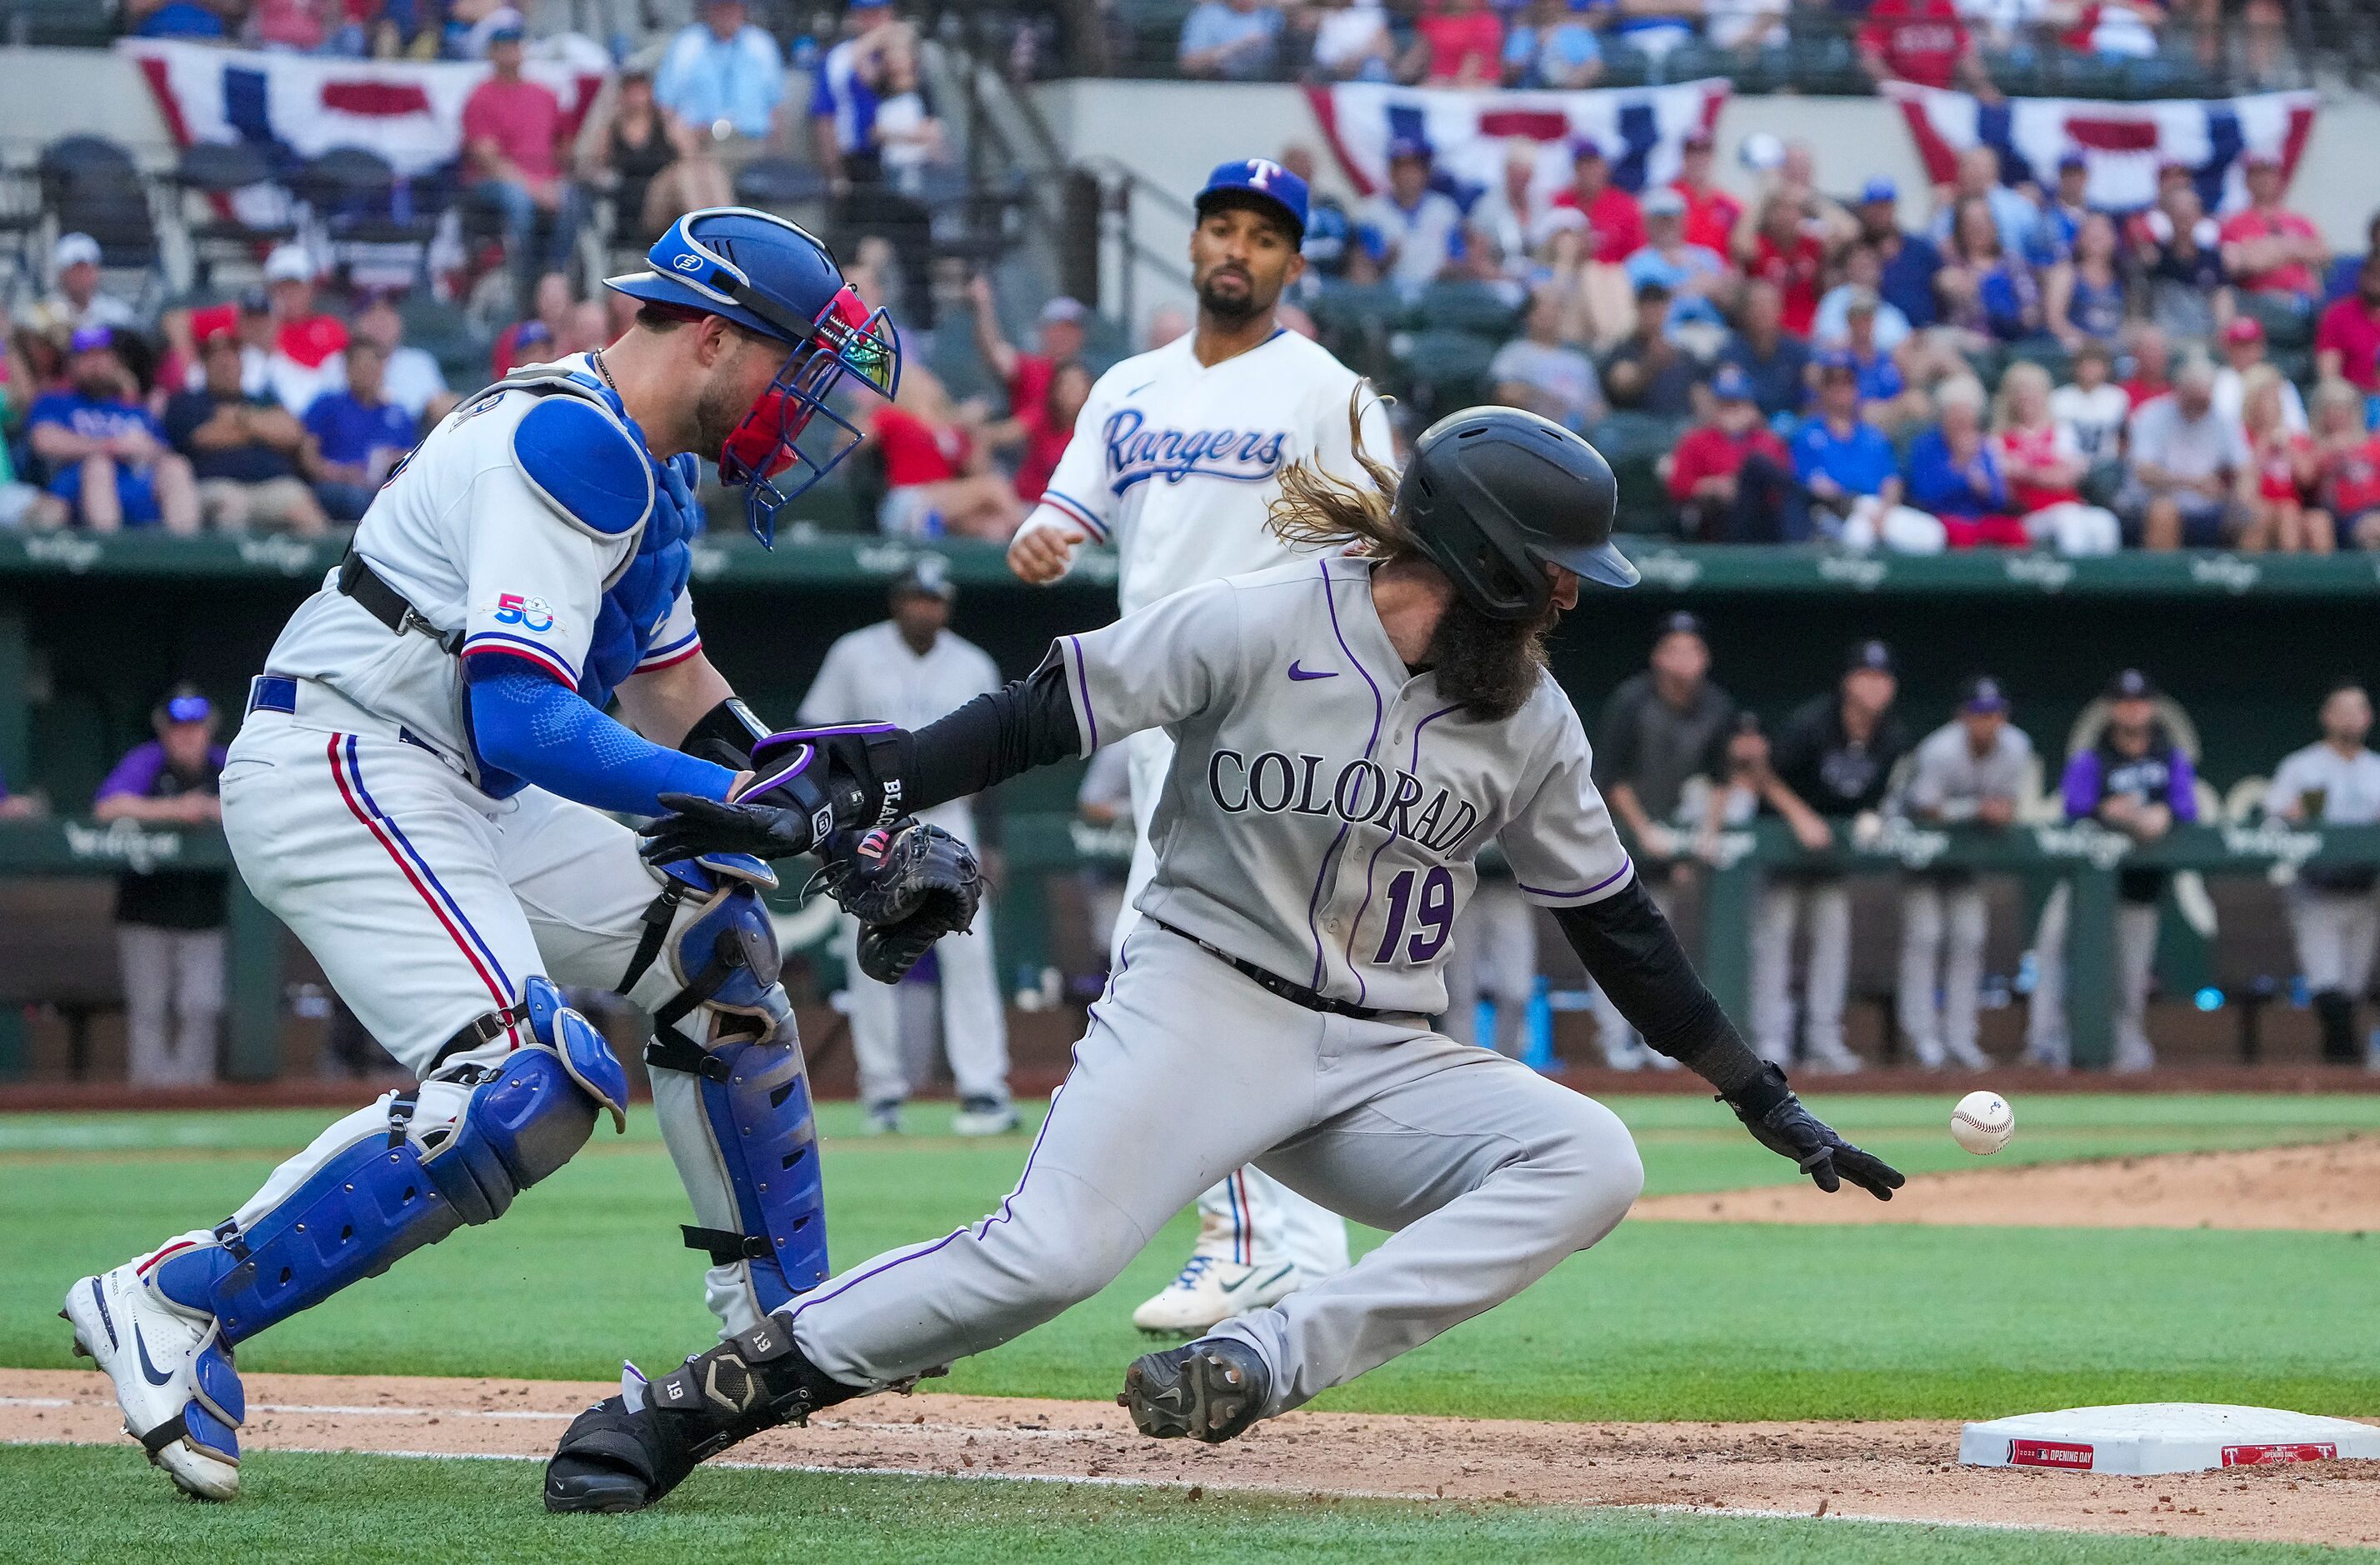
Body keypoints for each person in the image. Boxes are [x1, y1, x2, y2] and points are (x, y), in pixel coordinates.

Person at [538, 407, 1904, 1513]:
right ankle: (696, 1397)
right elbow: (1041, 713)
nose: (1568, 596)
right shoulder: (1262, 617)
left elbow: (1618, 924)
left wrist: (1757, 1092)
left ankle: (1263, 1353)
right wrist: (884, 779)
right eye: (1554, 569)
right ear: (1486, 556)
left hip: (1382, 1054)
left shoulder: (1531, 717)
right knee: (1048, 1255)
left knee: (1592, 1155)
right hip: (1202, 1000)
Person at [62, 208, 906, 1503]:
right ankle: (170, 1299)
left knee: (716, 940)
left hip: (463, 779)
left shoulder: (650, 464)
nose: (807, 401)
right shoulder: (569, 441)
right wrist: (742, 807)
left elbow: (678, 693)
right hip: (347, 757)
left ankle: (782, 1323)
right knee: (521, 1085)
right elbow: (524, 707)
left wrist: (839, 815)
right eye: (795, 363)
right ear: (719, 339)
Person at [1005, 159, 1390, 1341]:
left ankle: (1241, 1246)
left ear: (1292, 261)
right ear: (1196, 245)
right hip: (1161, 712)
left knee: (1183, 967)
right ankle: (1298, 1248)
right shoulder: (1128, 386)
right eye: (1221, 226)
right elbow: (1067, 514)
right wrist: (1042, 537)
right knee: (1262, 973)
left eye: (1263, 236)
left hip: (1273, 711)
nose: (1238, 248)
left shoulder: (1330, 390)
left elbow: (1391, 544)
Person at [799, 560, 1014, 1134]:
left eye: (936, 600)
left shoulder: (973, 663)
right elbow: (814, 736)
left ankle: (983, 1087)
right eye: (917, 598)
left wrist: (992, 842)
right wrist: (824, 828)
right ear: (898, 601)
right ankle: (882, 1093)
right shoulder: (854, 653)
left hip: (951, 820)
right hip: (873, 825)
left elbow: (996, 762)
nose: (926, 609)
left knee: (968, 956)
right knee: (871, 954)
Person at [1744, 640, 1911, 1075]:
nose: (1874, 687)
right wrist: (1801, 816)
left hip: (1832, 854)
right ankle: (1770, 1042)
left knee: (1833, 941)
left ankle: (1823, 1040)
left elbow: (1877, 794)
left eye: (1882, 678)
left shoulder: (1891, 734)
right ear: (1848, 682)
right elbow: (1762, 775)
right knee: (1775, 941)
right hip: (1780, 841)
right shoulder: (1812, 724)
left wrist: (1872, 815)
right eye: (1865, 676)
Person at [2027, 669, 2198, 1072]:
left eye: (2139, 702)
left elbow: (2188, 811)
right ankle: (2045, 1046)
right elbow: (2072, 810)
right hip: (2083, 886)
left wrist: (2164, 814)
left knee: (2129, 979)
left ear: (2153, 708)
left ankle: (2127, 1055)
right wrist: (2109, 810)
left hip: (2138, 889)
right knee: (2051, 955)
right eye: (2124, 701)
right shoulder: (2093, 757)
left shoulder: (2169, 757)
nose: (2132, 710)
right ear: (2110, 707)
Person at [1588, 610, 1735, 1069]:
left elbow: (1719, 779)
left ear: (1705, 658)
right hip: (1618, 841)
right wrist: (1645, 830)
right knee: (1615, 941)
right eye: (1673, 649)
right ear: (1657, 656)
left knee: (1665, 946)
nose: (1683, 660)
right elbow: (1610, 777)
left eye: (1692, 650)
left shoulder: (1717, 706)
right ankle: (1614, 1039)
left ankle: (1658, 1042)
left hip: (1676, 842)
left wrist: (1706, 836)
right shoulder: (1632, 701)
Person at [93, 687, 229, 1088]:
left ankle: (193, 1093)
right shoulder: (146, 761)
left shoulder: (224, 763)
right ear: (164, 732)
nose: (187, 736)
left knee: (200, 1006)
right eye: (178, 728)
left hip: (205, 909)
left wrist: (208, 808)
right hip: (145, 907)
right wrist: (174, 810)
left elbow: (265, 805)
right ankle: (148, 1095)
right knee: (148, 1008)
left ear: (208, 730)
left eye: (195, 728)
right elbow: (106, 808)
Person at [1893, 677, 2031, 1071]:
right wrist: (1976, 811)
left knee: (1970, 937)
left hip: (1966, 858)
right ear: (1963, 717)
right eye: (1979, 714)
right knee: (1925, 936)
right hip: (1920, 849)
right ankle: (1921, 1038)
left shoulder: (2017, 747)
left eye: (1994, 714)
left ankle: (1961, 1038)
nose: (1987, 722)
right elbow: (1926, 808)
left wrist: (1994, 811)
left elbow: (2006, 806)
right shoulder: (1939, 750)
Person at [2268, 682, 2380, 1065]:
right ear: (2326, 716)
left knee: (2351, 990)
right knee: (2326, 987)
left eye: (2358, 710)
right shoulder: (2301, 767)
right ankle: (2341, 1073)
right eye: (2342, 710)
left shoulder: (2376, 770)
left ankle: (2345, 1071)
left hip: (2365, 892)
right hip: (2315, 889)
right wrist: (2290, 817)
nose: (2351, 718)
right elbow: (2270, 824)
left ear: (2368, 718)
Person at [28, 328, 200, 535]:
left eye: (102, 356)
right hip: (77, 492)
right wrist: (110, 446)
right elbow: (44, 440)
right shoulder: (55, 401)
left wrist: (146, 449)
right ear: (73, 364)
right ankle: (109, 554)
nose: (96, 364)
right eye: (87, 357)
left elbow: (161, 449)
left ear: (115, 362)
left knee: (176, 466)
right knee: (100, 465)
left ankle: (183, 555)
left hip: (136, 486)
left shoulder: (134, 409)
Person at [462, 22, 586, 304]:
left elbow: (565, 147)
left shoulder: (545, 94)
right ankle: (525, 280)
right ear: (492, 53)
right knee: (518, 201)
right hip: (497, 185)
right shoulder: (480, 97)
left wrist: (560, 178)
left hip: (546, 182)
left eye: (515, 45)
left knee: (572, 196)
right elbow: (487, 158)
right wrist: (533, 187)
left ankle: (554, 276)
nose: (511, 52)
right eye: (503, 47)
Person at [163, 330, 330, 538]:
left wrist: (241, 419)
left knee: (303, 507)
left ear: (241, 364)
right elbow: (204, 437)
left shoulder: (262, 399)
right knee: (232, 506)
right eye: (217, 359)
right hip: (216, 485)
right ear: (205, 365)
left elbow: (293, 433)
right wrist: (264, 428)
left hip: (272, 485)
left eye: (231, 358)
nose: (226, 365)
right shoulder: (187, 401)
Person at [1795, 352, 1934, 550]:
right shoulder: (1809, 434)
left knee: (1930, 533)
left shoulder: (1873, 435)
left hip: (1879, 508)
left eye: (1847, 382)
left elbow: (1891, 480)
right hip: (1840, 512)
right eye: (1833, 382)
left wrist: (1883, 513)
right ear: (1823, 388)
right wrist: (1853, 504)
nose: (1840, 389)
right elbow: (1814, 484)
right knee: (1859, 537)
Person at [582, 68, 732, 248]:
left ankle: (726, 227)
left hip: (674, 197)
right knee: (683, 175)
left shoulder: (665, 123)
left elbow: (691, 155)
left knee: (707, 168)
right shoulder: (612, 129)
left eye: (641, 90)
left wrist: (677, 124)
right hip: (642, 206)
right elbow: (592, 168)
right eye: (632, 91)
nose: (637, 97)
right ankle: (706, 232)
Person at [869, 368, 1026, 540]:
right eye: (923, 380)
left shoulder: (951, 428)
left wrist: (973, 431)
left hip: (944, 503)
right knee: (994, 488)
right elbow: (853, 437)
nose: (931, 384)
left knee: (994, 524)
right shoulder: (894, 417)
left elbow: (978, 471)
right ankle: (1034, 536)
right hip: (909, 500)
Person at [2118, 354, 2253, 549]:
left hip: (2209, 505)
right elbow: (2143, 471)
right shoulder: (2152, 415)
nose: (2200, 404)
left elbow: (2246, 468)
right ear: (2180, 391)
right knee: (2164, 511)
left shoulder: (2222, 420)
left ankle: (2241, 577)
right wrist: (2191, 483)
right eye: (2194, 397)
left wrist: (2241, 496)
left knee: (2255, 513)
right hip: (2153, 502)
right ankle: (2164, 579)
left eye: (2204, 398)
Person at [1992, 361, 2122, 554]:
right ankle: (2073, 584)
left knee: (2105, 521)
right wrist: (2049, 472)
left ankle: (2108, 584)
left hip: (2070, 506)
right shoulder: (1998, 440)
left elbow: (2069, 476)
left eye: (2033, 391)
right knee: (2068, 522)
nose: (2026, 397)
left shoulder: (2062, 431)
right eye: (2020, 391)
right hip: (2030, 516)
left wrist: (2026, 472)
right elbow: (2005, 487)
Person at [1667, 365, 1792, 542]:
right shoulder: (1696, 440)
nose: (1730, 411)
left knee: (1756, 466)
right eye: (1724, 404)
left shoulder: (1766, 440)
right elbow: (1678, 486)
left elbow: (1781, 486)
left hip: (1762, 519)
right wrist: (1712, 485)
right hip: (1717, 519)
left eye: (1736, 403)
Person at [304, 338, 422, 523]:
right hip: (337, 486)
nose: (366, 371)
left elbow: (411, 460)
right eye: (360, 364)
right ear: (347, 368)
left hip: (382, 486)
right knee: (358, 499)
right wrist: (338, 473)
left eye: (372, 364)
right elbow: (308, 456)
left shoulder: (398, 414)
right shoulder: (327, 404)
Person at [1438, 845, 1536, 1058]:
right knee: (1459, 991)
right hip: (1459, 891)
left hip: (1510, 889)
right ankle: (1461, 1069)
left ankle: (1512, 1066)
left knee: (1516, 990)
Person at [663, 0, 788, 166]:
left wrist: (776, 156)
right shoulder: (688, 43)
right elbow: (666, 105)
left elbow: (775, 107)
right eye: (721, 7)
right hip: (701, 143)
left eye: (733, 7)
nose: (727, 13)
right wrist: (684, 147)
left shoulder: (761, 44)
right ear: (709, 10)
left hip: (752, 143)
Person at [967, 282, 1088, 428]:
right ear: (1043, 332)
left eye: (1071, 329)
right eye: (1057, 329)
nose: (1064, 336)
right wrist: (984, 305)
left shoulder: (1091, 375)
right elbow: (994, 351)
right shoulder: (1031, 368)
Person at [1359, 138, 1467, 296]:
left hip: (1437, 295)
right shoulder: (1372, 213)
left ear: (1426, 172)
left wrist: (1450, 272)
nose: (1408, 175)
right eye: (1402, 167)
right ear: (1392, 171)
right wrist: (1386, 260)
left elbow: (1458, 258)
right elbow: (1366, 268)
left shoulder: (1444, 209)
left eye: (1415, 168)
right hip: (1389, 297)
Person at [2218, 152, 2325, 311]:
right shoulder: (2233, 223)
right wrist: (2295, 249)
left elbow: (2322, 253)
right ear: (2247, 181)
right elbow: (2242, 264)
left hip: (2305, 298)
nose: (2264, 180)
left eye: (2269, 174)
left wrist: (2268, 248)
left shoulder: (2299, 221)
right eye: (2257, 174)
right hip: (2260, 300)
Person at [2240, 365, 2328, 552]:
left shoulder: (2295, 438)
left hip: (2292, 507)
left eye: (2276, 396)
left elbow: (2307, 478)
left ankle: (2320, 580)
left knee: (2316, 521)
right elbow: (2244, 485)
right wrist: (2264, 443)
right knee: (2281, 513)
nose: (2274, 403)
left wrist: (2288, 448)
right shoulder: (2242, 435)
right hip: (2257, 506)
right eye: (2266, 397)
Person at [1489, 287, 1603, 431]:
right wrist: (1544, 399)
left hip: (1578, 436)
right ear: (1529, 316)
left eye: (1555, 309)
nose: (1550, 314)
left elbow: (1599, 409)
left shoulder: (1580, 361)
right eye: (1543, 309)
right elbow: (1505, 393)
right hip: (1530, 431)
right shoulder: (1515, 352)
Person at [1601, 282, 1708, 418]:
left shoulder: (1682, 354)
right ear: (1638, 309)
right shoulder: (1624, 349)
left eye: (1657, 308)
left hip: (1679, 425)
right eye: (1648, 309)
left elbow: (1700, 395)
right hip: (1638, 425)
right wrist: (1651, 365)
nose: (1653, 316)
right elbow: (1622, 384)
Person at [353, 295, 456, 426]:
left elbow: (441, 405)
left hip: (406, 441)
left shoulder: (419, 362)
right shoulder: (336, 363)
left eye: (387, 315)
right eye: (372, 315)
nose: (380, 323)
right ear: (356, 323)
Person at [1718, 277, 1811, 420]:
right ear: (1744, 312)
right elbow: (1730, 398)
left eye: (1769, 305)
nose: (1763, 312)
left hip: (1793, 424)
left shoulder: (1797, 349)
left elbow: (1812, 393)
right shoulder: (1731, 351)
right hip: (1749, 426)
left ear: (1780, 310)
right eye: (1756, 305)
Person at [1858, 0, 1994, 92]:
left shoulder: (1944, 6)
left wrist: (1983, 88)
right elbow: (1870, 59)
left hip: (1941, 97)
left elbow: (1965, 55)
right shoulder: (1887, 6)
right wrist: (1899, 88)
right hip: (1901, 99)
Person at [1549, 138, 1645, 266]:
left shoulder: (1625, 205)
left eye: (1593, 164)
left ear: (1605, 167)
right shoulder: (1561, 202)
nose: (1588, 171)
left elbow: (1636, 254)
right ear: (1575, 169)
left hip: (1612, 275)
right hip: (1570, 274)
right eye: (1582, 165)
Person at [28, 232, 138, 341]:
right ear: (61, 275)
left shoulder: (118, 315)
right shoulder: (42, 316)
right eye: (74, 270)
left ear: (97, 271)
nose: (81, 276)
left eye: (86, 269)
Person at [2046, 211, 2128, 350]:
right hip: (2076, 349)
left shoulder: (2122, 277)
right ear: (2079, 239)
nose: (2096, 236)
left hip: (2113, 347)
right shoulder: (2066, 274)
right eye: (2090, 232)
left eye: (2102, 231)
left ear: (2113, 239)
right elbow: (2055, 320)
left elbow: (2128, 321)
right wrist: (2089, 344)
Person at [2212, 315, 2307, 433]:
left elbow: (2298, 429)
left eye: (2250, 345)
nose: (2245, 352)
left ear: (2261, 347)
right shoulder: (2219, 381)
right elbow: (2222, 426)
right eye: (2239, 345)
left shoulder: (2280, 382)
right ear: (2228, 348)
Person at [2314, 379, 2380, 550]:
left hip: (2376, 509)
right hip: (2345, 516)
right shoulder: (2314, 447)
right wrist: (2332, 454)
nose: (2339, 414)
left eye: (2343, 408)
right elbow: (2314, 486)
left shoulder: (2374, 443)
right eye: (2332, 408)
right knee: (2373, 529)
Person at [2053, 339, 2131, 471]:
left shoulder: (2118, 397)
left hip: (2106, 467)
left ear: (2105, 368)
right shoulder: (2058, 398)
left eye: (2095, 364)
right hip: (2067, 466)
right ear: (2075, 367)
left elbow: (2125, 438)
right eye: (2084, 364)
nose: (2089, 369)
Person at [1671, 129, 1742, 258]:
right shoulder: (1669, 198)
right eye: (1692, 153)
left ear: (1712, 157)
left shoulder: (1727, 204)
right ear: (1684, 157)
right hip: (1677, 270)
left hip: (1718, 274)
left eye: (1704, 153)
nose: (1698, 159)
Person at [2314, 257, 2380, 396]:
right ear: (2362, 275)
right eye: (2373, 274)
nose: (2376, 281)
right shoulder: (2339, 315)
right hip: (2354, 401)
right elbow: (2329, 377)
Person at [1404, 0, 1504, 85]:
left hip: (1478, 83)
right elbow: (1416, 59)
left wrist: (1442, 85)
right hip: (1437, 81)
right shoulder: (1430, 19)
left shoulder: (1486, 23)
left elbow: (1469, 72)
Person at [1178, 0, 1284, 78]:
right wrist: (1233, 49)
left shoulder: (1272, 14)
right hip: (1220, 86)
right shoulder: (1208, 15)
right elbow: (1189, 64)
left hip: (1270, 86)